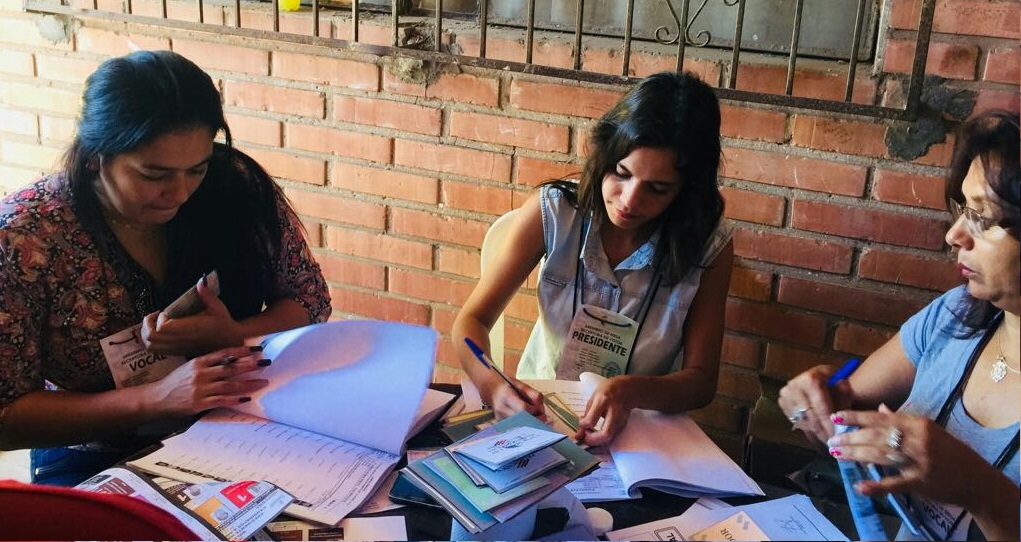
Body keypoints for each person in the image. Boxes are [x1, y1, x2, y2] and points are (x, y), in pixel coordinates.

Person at [0, 50, 331, 486]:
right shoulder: (25, 238)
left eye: (196, 169)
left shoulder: (233, 187)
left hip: (239, 421)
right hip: (95, 447)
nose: (178, 193)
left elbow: (310, 301)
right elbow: (7, 416)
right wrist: (155, 399)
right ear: (95, 156)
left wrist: (233, 333)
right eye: (153, 174)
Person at [453, 71, 734, 447]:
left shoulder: (707, 247)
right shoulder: (553, 213)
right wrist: (492, 385)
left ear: (686, 192)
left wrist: (633, 391)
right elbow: (471, 322)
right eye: (621, 173)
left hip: (638, 432)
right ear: (604, 156)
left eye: (658, 188)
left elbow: (700, 381)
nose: (630, 200)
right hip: (539, 417)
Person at [778, 110, 1019, 541]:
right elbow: (843, 410)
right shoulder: (956, 315)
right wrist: (814, 401)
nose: (955, 235)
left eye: (982, 218)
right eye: (962, 208)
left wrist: (982, 491)